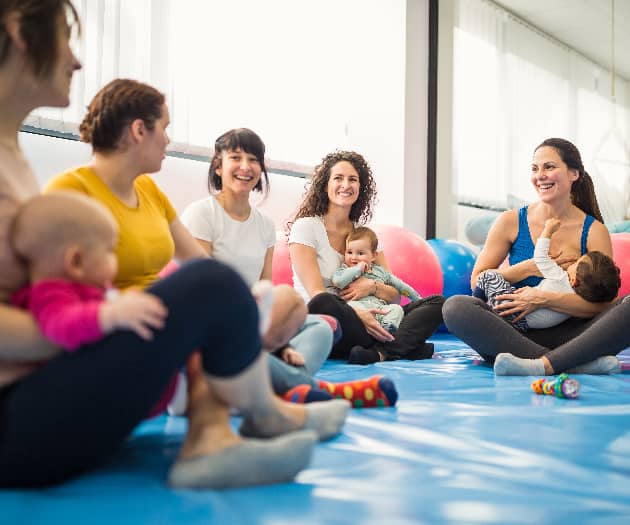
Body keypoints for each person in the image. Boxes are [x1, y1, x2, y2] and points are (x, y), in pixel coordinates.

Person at [0, 2, 348, 490]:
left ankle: (223, 427)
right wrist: (101, 322)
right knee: (211, 290)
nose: (77, 62)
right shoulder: (67, 191)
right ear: (19, 33)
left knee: (232, 294)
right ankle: (265, 401)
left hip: (72, 365)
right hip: (23, 414)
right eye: (65, 38)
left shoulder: (15, 156)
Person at [181, 128, 397, 408]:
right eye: (236, 157)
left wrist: (277, 342)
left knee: (320, 328)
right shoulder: (201, 214)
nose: (245, 167)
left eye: (253, 160)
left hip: (254, 326)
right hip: (218, 327)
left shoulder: (263, 225)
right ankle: (322, 390)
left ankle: (280, 383)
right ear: (218, 166)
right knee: (321, 309)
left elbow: (265, 291)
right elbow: (200, 290)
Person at [443, 137, 630, 376]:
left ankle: (541, 364)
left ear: (574, 174)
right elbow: (478, 281)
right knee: (456, 307)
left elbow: (603, 302)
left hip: (574, 334)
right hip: (512, 332)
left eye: (549, 167)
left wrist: (544, 299)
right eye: (535, 168)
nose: (540, 175)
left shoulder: (593, 231)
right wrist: (527, 268)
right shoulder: (510, 221)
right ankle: (572, 363)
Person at [288, 150, 445, 365]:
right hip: (333, 319)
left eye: (353, 179)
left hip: (375, 315)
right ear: (325, 185)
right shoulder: (306, 227)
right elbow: (316, 293)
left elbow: (394, 296)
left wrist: (371, 288)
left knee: (437, 303)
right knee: (324, 301)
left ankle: (381, 352)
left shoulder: (364, 235)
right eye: (338, 178)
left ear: (360, 188)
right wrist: (357, 313)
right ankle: (404, 347)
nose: (346, 185)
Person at [10, 192, 168, 349]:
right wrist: (113, 314)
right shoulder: (49, 294)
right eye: (110, 250)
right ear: (76, 262)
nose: (116, 258)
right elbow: (62, 326)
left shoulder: (93, 286)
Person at [474, 218, 621, 331]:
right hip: (525, 326)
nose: (573, 262)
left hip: (509, 309)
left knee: (487, 276)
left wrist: (548, 231)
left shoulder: (560, 277)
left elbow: (540, 257)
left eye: (576, 263)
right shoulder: (582, 298)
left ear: (574, 280)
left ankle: (475, 305)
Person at [332, 226, 421, 335]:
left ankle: (387, 328)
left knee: (397, 309)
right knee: (350, 307)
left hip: (379, 308)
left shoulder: (381, 272)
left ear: (374, 256)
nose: (354, 257)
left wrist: (417, 299)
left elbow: (401, 286)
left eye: (360, 253)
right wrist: (357, 269)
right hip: (358, 308)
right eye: (349, 252)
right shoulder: (345, 269)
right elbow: (338, 281)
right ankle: (376, 333)